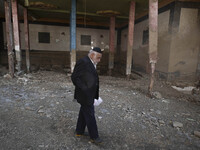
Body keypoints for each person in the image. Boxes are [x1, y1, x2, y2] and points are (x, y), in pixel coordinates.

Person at [71, 47, 103, 144]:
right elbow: (74, 77)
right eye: (98, 58)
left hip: (88, 94)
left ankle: (79, 131)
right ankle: (94, 137)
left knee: (83, 112)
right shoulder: (83, 62)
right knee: (90, 115)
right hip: (84, 95)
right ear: (92, 55)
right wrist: (85, 89)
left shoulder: (91, 62)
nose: (99, 60)